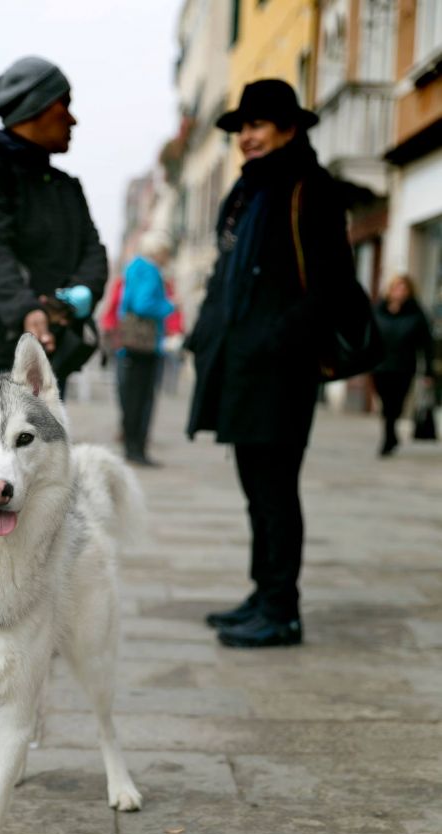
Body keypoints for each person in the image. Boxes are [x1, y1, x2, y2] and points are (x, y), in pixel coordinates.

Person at [187, 78, 364, 649]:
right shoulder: (248, 192)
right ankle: (263, 593)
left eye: (258, 125)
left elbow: (331, 283)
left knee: (275, 491)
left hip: (279, 369)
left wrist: (275, 342)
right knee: (255, 488)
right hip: (242, 367)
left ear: (290, 128)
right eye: (241, 128)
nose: (247, 137)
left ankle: (282, 609)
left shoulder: (310, 188)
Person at [0, 55, 108, 393]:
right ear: (40, 107)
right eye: (65, 105)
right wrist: (26, 309)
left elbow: (94, 253)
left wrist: (69, 300)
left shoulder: (67, 187)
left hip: (50, 353)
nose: (73, 120)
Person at [118, 232, 175, 467]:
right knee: (142, 400)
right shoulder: (150, 271)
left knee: (130, 398)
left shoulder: (133, 267)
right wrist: (169, 306)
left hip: (129, 346)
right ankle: (137, 450)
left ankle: (131, 447)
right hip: (145, 346)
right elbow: (144, 304)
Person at [372, 274, 434, 456]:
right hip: (380, 366)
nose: (400, 292)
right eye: (397, 288)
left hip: (404, 367)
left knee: (397, 403)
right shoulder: (378, 310)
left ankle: (389, 436)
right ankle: (390, 435)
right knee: (385, 403)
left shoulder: (416, 313)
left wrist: (429, 372)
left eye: (403, 288)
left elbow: (426, 345)